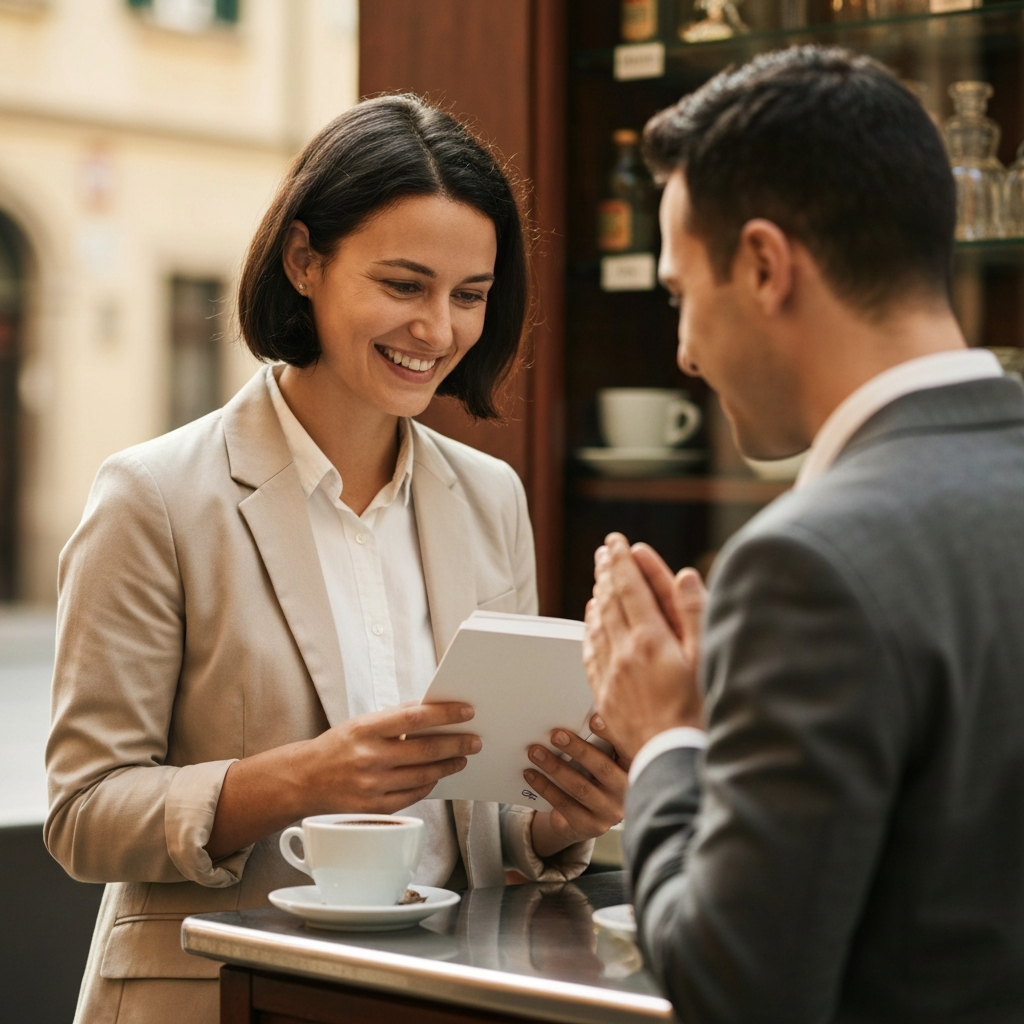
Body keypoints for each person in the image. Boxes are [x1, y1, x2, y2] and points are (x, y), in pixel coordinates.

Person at [45, 95, 626, 1024]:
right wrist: (301, 780)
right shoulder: (153, 497)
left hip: (440, 995)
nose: (438, 330)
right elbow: (84, 813)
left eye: (469, 295)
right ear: (305, 261)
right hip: (219, 997)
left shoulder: (490, 498)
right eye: (404, 285)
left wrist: (569, 810)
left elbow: (495, 811)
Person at [583, 46, 1024, 1022]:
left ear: (763, 264)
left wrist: (665, 738)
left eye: (678, 294)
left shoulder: (806, 565)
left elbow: (737, 988)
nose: (685, 349)